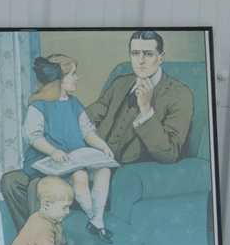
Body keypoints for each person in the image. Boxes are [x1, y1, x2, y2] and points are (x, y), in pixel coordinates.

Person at [22, 54, 119, 240]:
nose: (77, 78)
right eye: (72, 74)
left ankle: (96, 220)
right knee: (80, 176)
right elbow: (33, 137)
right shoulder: (39, 105)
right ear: (58, 78)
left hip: (76, 159)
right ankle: (95, 220)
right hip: (49, 160)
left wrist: (103, 146)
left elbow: (88, 132)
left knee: (104, 170)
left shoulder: (74, 104)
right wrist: (53, 151)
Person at [82, 29, 195, 166]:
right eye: (135, 54)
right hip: (97, 159)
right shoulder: (120, 83)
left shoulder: (179, 93)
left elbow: (169, 154)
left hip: (132, 171)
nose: (140, 61)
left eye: (148, 54)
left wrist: (146, 109)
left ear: (161, 57)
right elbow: (87, 118)